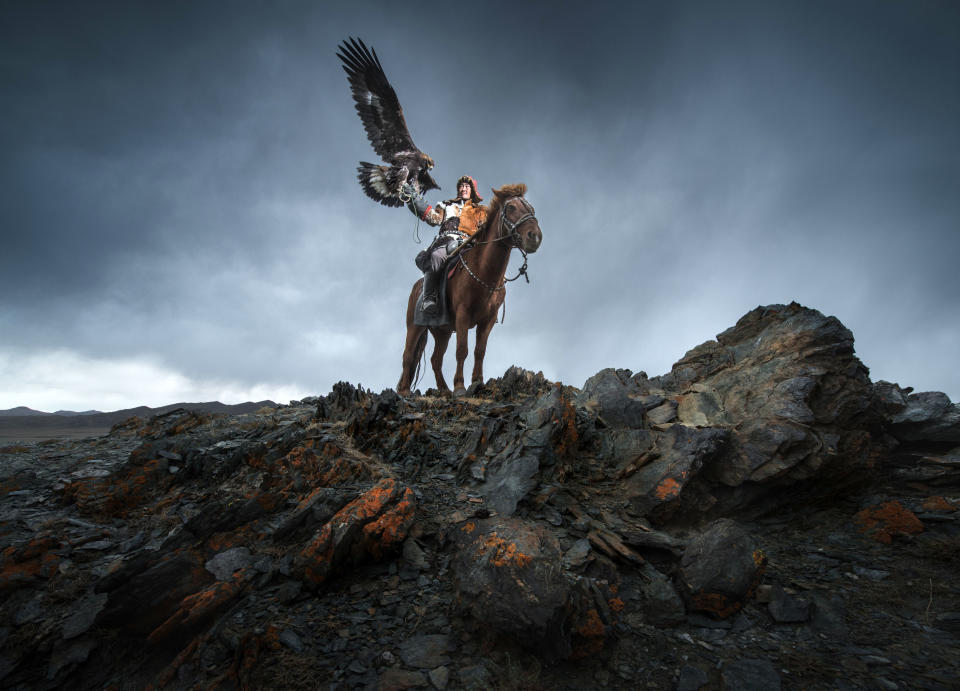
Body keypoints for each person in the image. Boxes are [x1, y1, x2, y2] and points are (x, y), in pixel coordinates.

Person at [403, 175, 488, 315]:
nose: (464, 189)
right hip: (447, 240)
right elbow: (433, 218)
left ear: (472, 190)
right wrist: (414, 199)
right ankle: (429, 298)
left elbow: (488, 227)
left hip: (470, 243)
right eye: (461, 186)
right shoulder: (446, 206)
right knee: (437, 256)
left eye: (467, 186)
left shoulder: (481, 211)